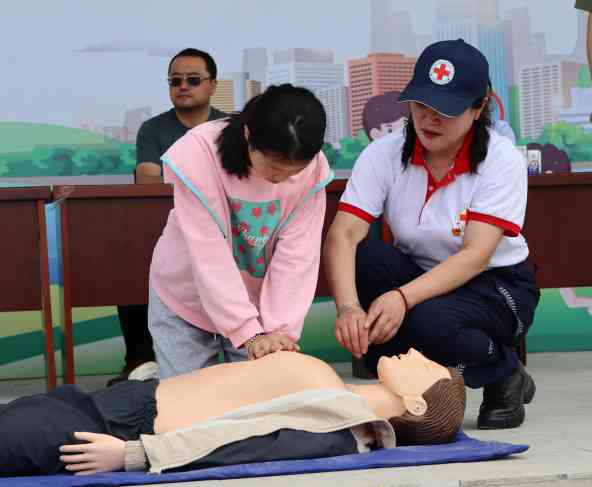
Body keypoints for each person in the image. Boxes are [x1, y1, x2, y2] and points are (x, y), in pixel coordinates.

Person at [324, 39, 540, 430]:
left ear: (479, 108)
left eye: (447, 109)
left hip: (496, 284)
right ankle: (420, 374)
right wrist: (349, 308)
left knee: (428, 322)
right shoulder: (384, 153)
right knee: (365, 260)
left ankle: (504, 373)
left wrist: (402, 298)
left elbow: (475, 255)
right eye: (422, 104)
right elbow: (344, 235)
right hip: (422, 274)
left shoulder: (500, 158)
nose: (429, 119)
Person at [0, 349, 466, 476]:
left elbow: (240, 446)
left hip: (112, 429)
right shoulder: (337, 395)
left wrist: (132, 455)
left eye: (426, 367)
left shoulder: (340, 429)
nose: (414, 352)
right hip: (119, 403)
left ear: (416, 404)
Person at [147, 83, 333, 378]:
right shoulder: (199, 153)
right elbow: (208, 256)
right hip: (186, 297)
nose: (283, 179)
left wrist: (278, 331)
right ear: (248, 134)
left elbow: (298, 257)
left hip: (260, 309)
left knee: (261, 395)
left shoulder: (314, 170)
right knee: (189, 396)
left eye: (295, 171)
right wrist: (247, 333)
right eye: (274, 167)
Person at [111, 48, 227, 386]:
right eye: (175, 81)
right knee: (130, 263)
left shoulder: (230, 128)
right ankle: (139, 361)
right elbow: (148, 180)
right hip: (167, 227)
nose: (183, 86)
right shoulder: (153, 129)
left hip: (224, 229)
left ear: (212, 85)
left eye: (193, 80)